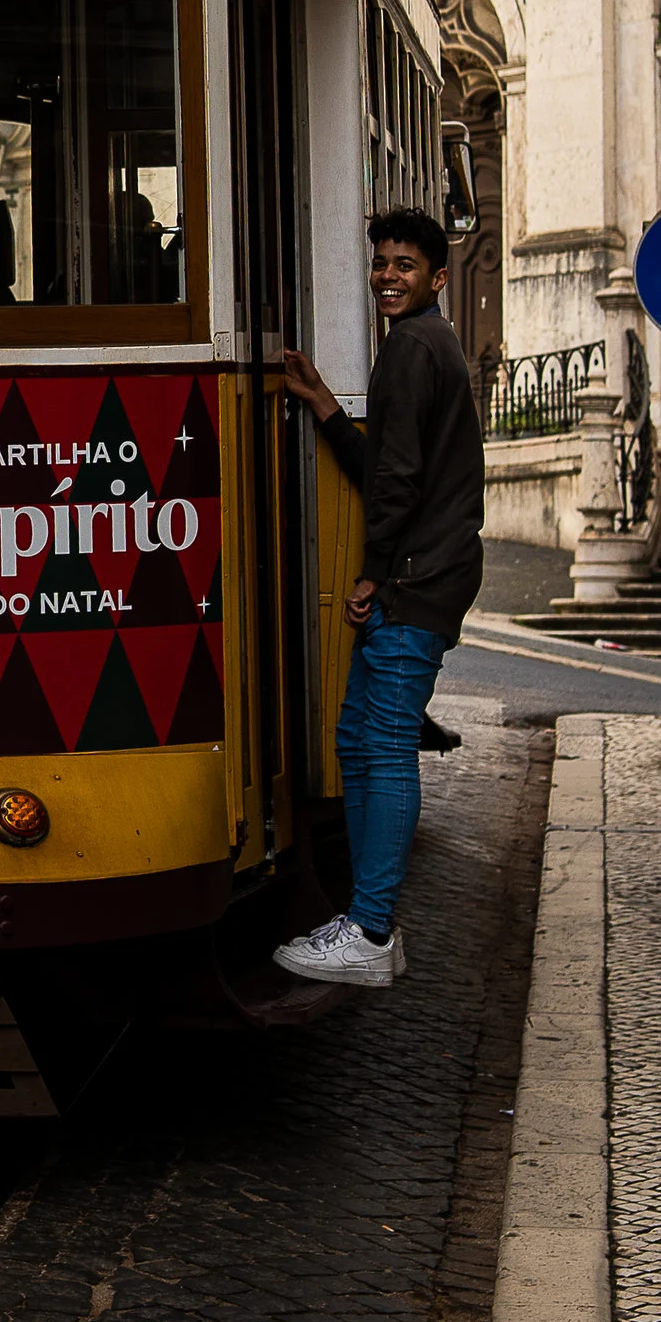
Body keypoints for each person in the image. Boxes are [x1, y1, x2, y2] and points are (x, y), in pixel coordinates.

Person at [272, 208, 485, 988]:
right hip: (423, 570)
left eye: (405, 266)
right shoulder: (425, 343)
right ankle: (366, 923)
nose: (388, 277)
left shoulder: (411, 349)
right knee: (359, 739)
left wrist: (373, 573)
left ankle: (368, 929)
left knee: (384, 742)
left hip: (416, 578)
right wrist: (326, 405)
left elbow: (397, 482)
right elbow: (390, 462)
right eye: (381, 264)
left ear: (437, 278)